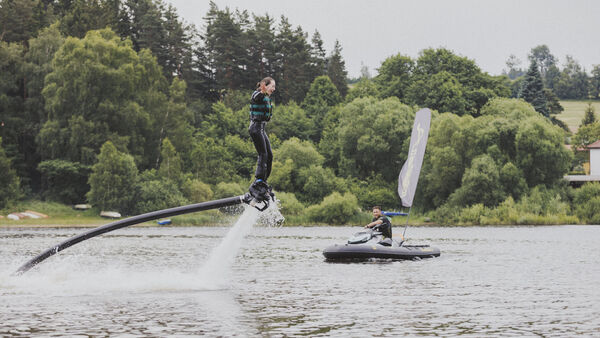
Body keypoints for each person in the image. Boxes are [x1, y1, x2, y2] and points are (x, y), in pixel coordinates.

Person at [248, 77, 276, 192]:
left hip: (261, 128)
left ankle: (264, 181)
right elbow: (256, 97)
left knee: (269, 155)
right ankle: (258, 181)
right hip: (255, 127)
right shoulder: (257, 95)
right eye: (272, 86)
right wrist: (262, 91)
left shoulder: (265, 97)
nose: (274, 89)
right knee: (263, 154)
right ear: (264, 85)